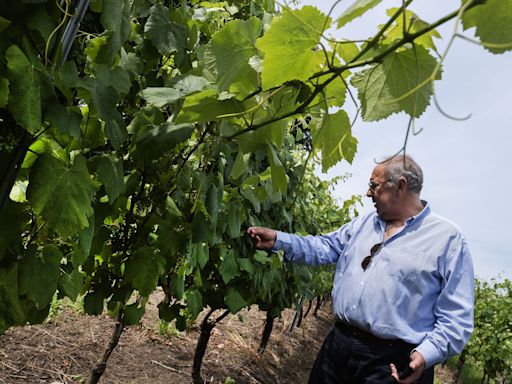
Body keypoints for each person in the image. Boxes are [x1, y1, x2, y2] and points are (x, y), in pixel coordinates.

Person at [247, 155, 474, 384]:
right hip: (338, 345)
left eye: (373, 186)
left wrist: (425, 355)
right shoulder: (364, 224)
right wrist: (278, 240)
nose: (368, 193)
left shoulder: (447, 240)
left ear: (401, 186)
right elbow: (325, 246)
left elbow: (457, 319)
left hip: (394, 364)